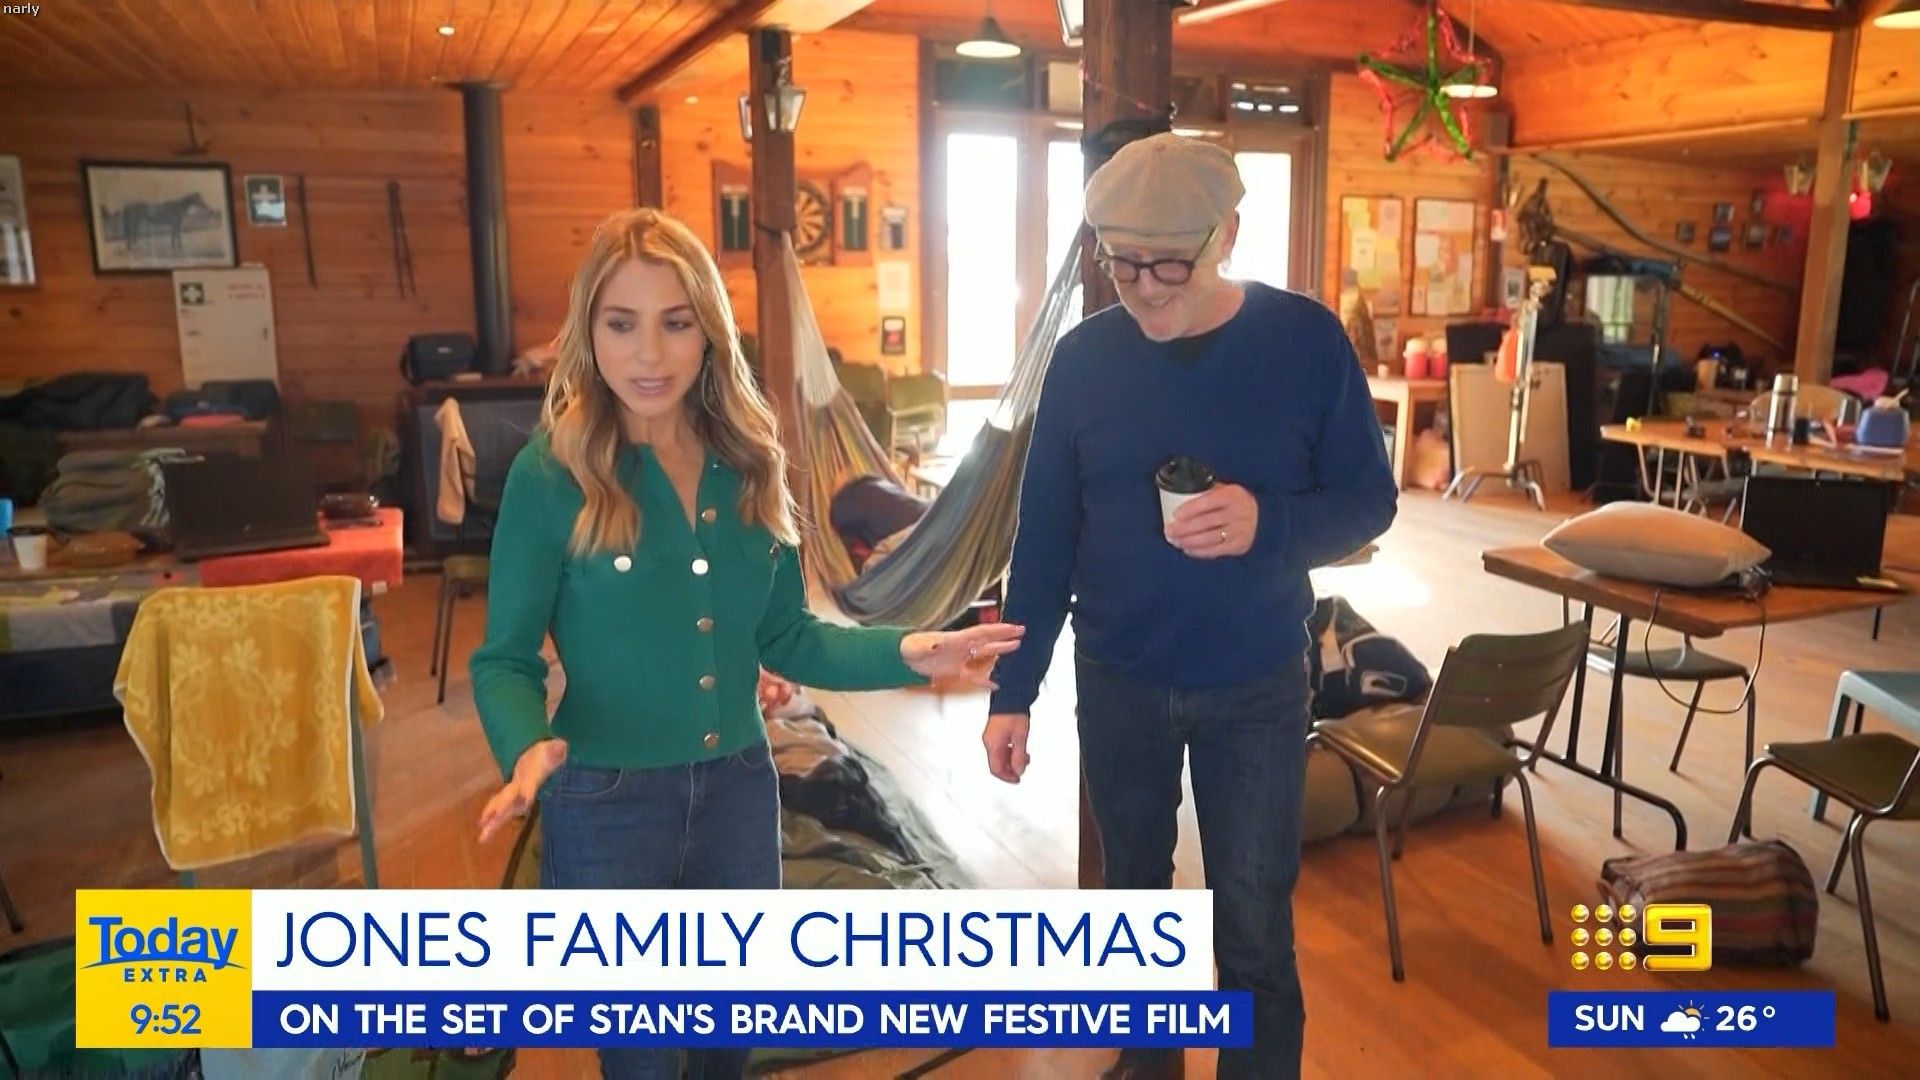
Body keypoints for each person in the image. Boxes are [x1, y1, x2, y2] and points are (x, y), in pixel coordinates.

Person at [470, 207, 1024, 1080]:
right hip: (606, 807)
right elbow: (504, 658)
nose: (649, 354)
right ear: (588, 332)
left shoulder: (752, 461)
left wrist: (907, 652)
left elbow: (788, 637)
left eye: (675, 322)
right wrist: (524, 745)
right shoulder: (551, 473)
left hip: (738, 792)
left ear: (708, 333)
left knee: (727, 1052)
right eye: (621, 324)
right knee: (644, 1064)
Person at [981, 135, 1397, 1079]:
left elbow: (1369, 502)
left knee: (1252, 923)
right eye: (1122, 263)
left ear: (1229, 235)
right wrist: (1015, 691)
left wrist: (1268, 522)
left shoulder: (1303, 343)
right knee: (1133, 913)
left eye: (1170, 264)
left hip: (1256, 685)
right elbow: (1043, 537)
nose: (1144, 289)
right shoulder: (1083, 361)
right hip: (1118, 679)